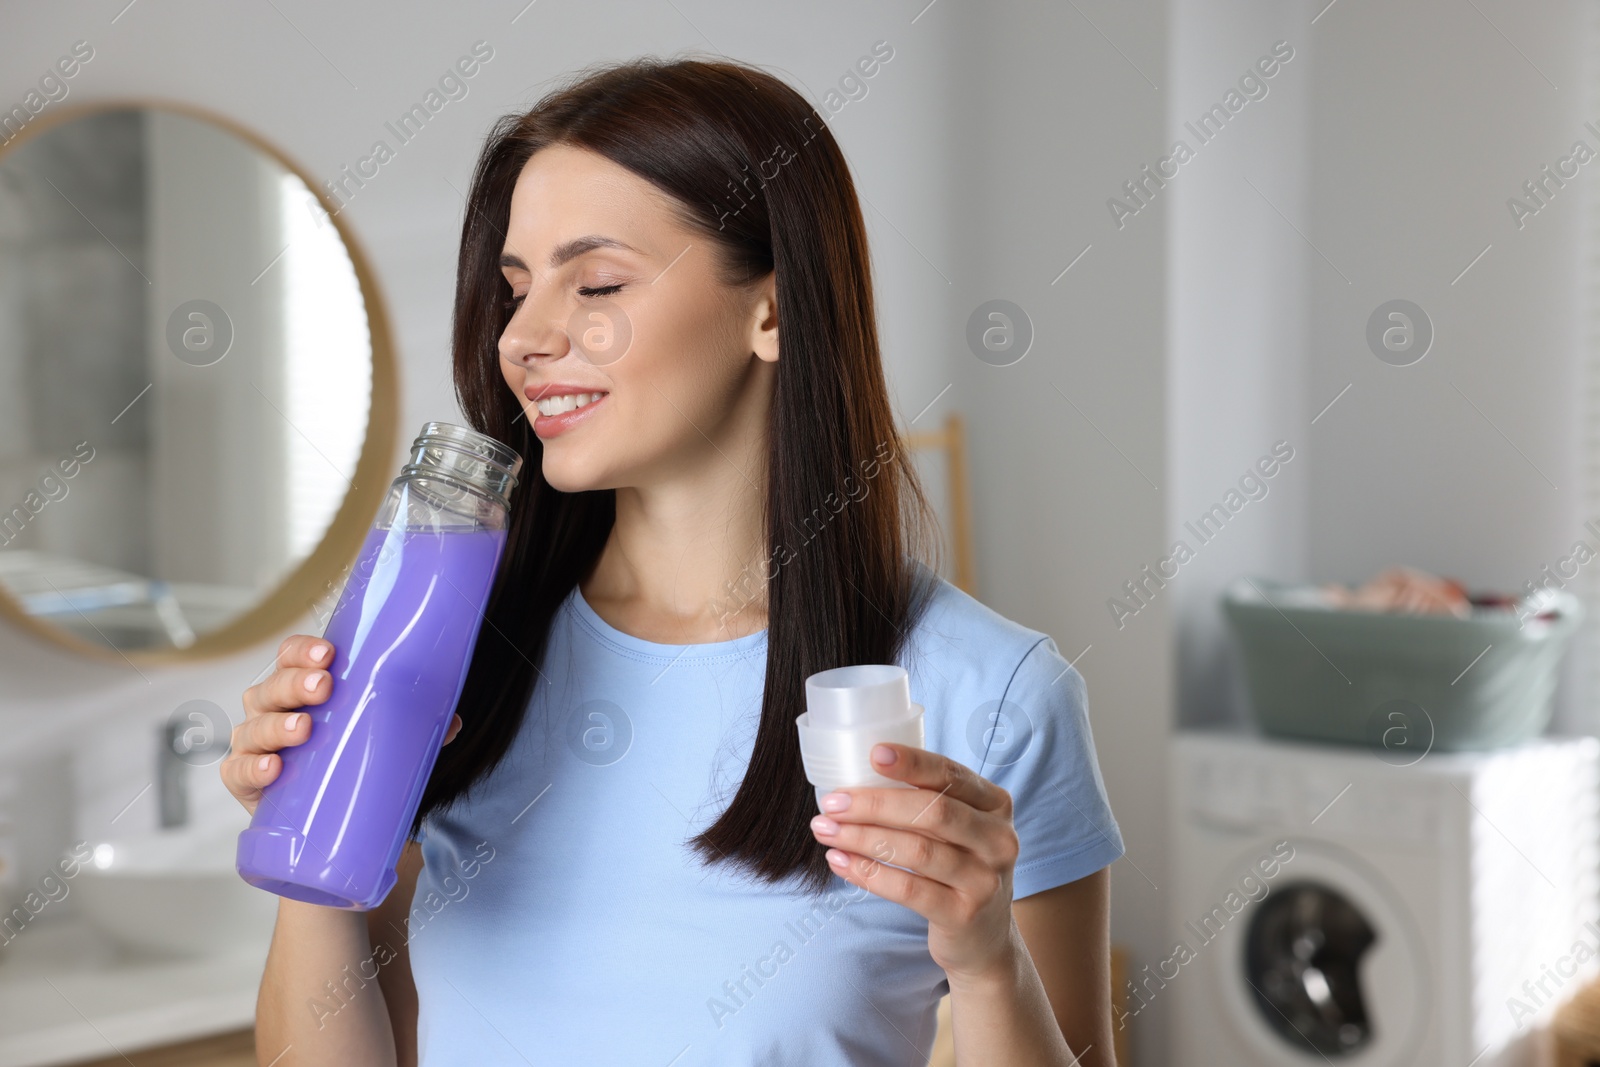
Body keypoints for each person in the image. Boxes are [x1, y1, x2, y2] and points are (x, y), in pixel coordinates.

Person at [223, 55, 1123, 1067]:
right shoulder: (455, 654)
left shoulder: (989, 694)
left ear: (774, 310)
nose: (521, 337)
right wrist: (314, 840)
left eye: (596, 282)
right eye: (514, 290)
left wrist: (988, 963)